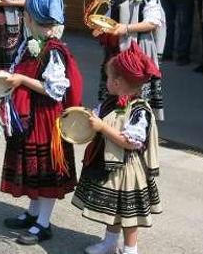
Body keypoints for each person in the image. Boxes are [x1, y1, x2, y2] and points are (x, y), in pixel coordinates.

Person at [0, 0, 82, 246]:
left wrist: (22, 79)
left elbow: (54, 90)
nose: (24, 18)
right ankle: (33, 213)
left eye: (26, 14)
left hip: (46, 118)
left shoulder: (53, 50)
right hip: (30, 116)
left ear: (33, 18)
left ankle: (43, 223)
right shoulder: (31, 43)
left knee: (45, 170)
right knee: (33, 168)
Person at [73, 42, 162, 254]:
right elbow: (100, 119)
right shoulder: (111, 101)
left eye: (109, 78)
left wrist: (102, 127)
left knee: (129, 217)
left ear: (119, 82)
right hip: (110, 164)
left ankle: (131, 249)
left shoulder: (139, 110)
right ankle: (110, 243)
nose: (107, 81)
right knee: (112, 210)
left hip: (128, 170)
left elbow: (130, 142)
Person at [95, 0, 166, 120]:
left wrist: (126, 28)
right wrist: (100, 26)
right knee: (113, 92)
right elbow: (109, 16)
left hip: (137, 50)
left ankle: (134, 128)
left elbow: (153, 22)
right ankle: (112, 122)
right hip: (115, 50)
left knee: (135, 95)